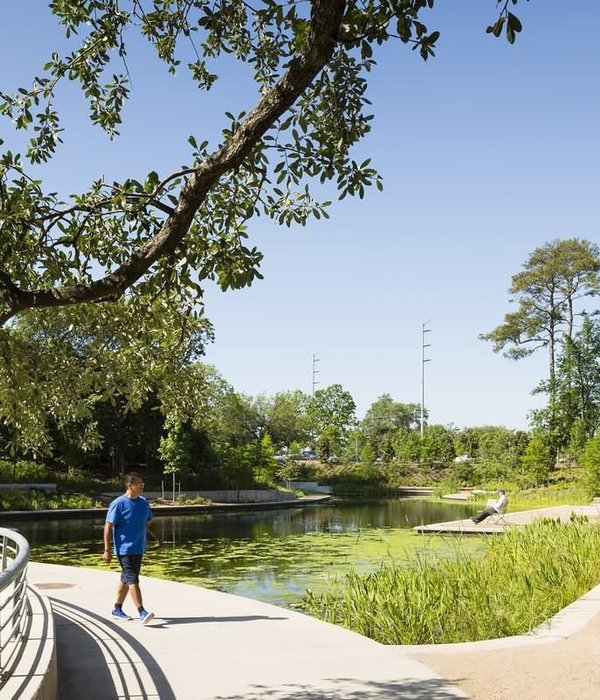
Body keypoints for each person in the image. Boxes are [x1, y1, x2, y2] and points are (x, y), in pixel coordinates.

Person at [103, 471, 162, 623]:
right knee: (132, 579)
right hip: (125, 550)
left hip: (139, 548)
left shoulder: (143, 503)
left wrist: (160, 539)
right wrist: (107, 550)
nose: (142, 486)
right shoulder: (118, 504)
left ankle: (117, 609)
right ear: (130, 485)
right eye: (139, 483)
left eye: (142, 483)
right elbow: (108, 527)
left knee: (126, 578)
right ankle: (142, 611)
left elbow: (149, 524)